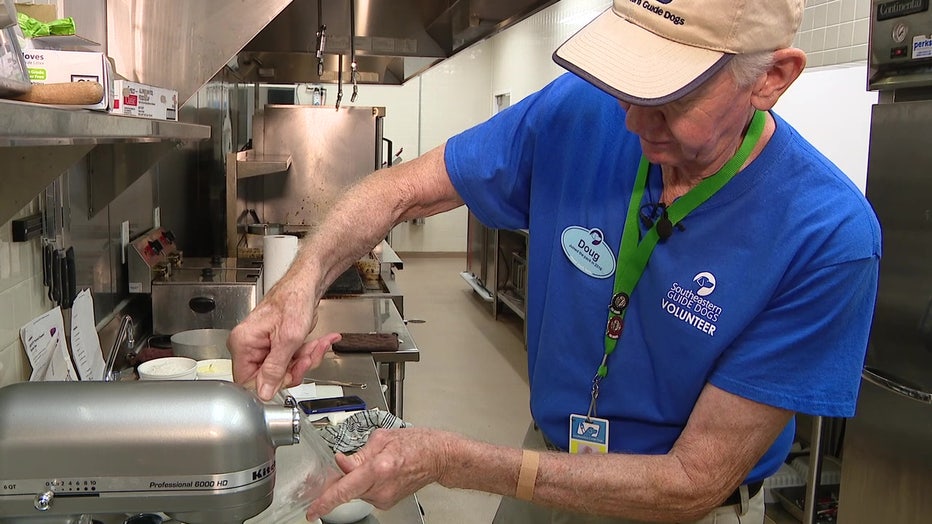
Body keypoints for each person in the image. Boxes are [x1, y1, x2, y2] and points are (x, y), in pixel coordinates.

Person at [228, 0, 881, 522]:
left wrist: (453, 461)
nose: (630, 120)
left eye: (670, 97)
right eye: (625, 85)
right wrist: (299, 284)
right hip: (548, 467)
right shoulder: (580, 111)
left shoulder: (825, 236)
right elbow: (399, 189)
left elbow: (690, 484)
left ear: (771, 78)